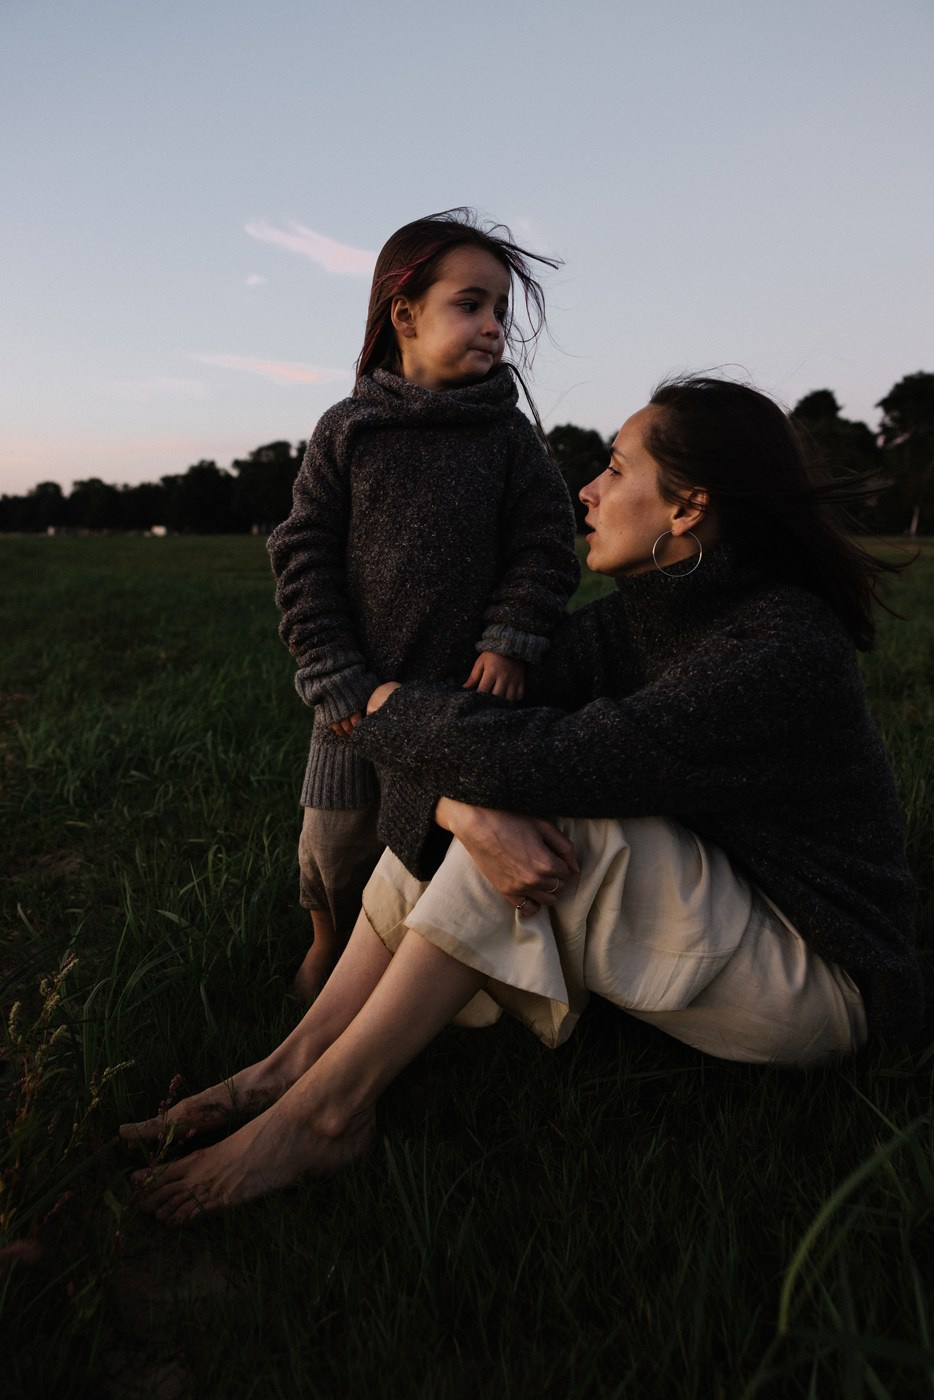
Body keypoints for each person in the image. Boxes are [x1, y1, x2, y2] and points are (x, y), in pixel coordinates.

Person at [124, 375, 922, 1225]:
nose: (589, 489)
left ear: (687, 508)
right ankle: (289, 1069)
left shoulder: (779, 648)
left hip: (817, 982)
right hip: (726, 910)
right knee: (487, 787)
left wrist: (380, 707)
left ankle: (327, 1113)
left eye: (616, 470)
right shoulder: (645, 617)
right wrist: (454, 802)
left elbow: (539, 758)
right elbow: (480, 725)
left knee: (545, 807)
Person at [267, 208, 578, 1002]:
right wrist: (331, 670)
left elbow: (546, 545)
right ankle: (327, 940)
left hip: (465, 697)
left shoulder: (509, 439)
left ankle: (409, 970)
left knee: (431, 851)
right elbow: (302, 555)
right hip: (354, 695)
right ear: (404, 314)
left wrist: (511, 636)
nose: (492, 327)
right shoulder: (349, 429)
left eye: (501, 311)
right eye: (470, 304)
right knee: (335, 845)